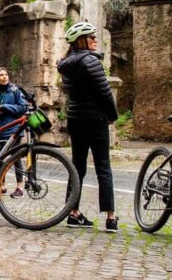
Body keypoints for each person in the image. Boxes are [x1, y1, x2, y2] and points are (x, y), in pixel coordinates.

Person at [57, 22, 119, 233]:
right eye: (92, 37)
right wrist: (113, 115)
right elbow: (104, 92)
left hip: (76, 119)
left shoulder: (66, 64)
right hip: (96, 120)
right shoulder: (90, 61)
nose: (95, 40)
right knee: (103, 167)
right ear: (82, 41)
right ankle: (111, 217)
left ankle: (72, 212)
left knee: (77, 167)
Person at [0, 67, 28, 198]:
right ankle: (1, 186)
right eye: (1, 75)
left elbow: (22, 108)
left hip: (13, 129)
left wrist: (4, 107)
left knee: (15, 157)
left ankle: (20, 186)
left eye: (6, 74)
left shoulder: (15, 91)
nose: (4, 77)